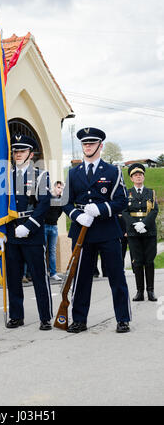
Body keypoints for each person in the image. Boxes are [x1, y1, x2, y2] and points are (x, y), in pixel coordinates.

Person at [63, 127, 131, 334]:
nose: (88, 146)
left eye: (91, 143)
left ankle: (122, 319)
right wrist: (77, 215)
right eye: (85, 144)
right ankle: (79, 319)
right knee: (81, 278)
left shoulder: (112, 171)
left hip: (107, 230)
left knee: (116, 276)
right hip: (82, 230)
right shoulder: (73, 173)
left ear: (100, 146)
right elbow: (65, 202)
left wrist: (101, 209)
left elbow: (121, 201)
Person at [4, 134, 53, 331]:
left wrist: (29, 226)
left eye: (22, 151)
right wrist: (0, 232)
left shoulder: (40, 175)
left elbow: (43, 204)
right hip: (11, 232)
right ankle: (16, 316)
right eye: (15, 151)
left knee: (39, 277)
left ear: (30, 154)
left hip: (32, 232)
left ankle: (45, 317)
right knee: (13, 278)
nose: (17, 154)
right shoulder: (5, 177)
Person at [122, 163, 158, 302]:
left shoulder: (151, 192)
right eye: (135, 175)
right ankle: (139, 291)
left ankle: (150, 291)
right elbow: (124, 211)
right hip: (133, 232)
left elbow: (154, 210)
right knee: (137, 262)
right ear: (131, 178)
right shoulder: (127, 193)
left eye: (140, 175)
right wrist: (134, 225)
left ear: (143, 177)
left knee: (149, 261)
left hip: (149, 231)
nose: (138, 177)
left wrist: (144, 223)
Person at [44, 180, 64, 281]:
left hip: (54, 227)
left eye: (61, 188)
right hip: (45, 226)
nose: (60, 190)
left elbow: (60, 212)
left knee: (52, 250)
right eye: (59, 187)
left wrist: (54, 219)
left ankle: (53, 273)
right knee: (42, 249)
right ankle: (43, 272)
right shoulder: (49, 197)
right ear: (54, 187)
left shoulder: (61, 200)